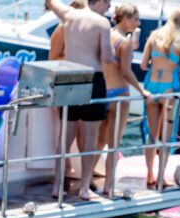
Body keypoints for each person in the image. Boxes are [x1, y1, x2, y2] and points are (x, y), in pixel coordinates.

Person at [46, 0, 113, 201]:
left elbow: (51, 2)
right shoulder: (102, 23)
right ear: (100, 3)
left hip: (70, 78)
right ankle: (84, 187)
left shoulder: (68, 15)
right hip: (93, 78)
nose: (108, 9)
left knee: (65, 135)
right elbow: (107, 57)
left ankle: (57, 185)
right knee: (90, 137)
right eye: (108, 5)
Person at [97, 4, 149, 196]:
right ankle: (108, 186)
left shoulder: (105, 35)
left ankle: (86, 179)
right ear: (126, 19)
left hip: (104, 93)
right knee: (114, 144)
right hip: (119, 94)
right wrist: (141, 89)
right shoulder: (124, 43)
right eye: (136, 19)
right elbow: (126, 72)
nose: (138, 23)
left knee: (99, 141)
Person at [140, 8, 180, 189]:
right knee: (167, 136)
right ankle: (161, 177)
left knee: (151, 135)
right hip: (170, 89)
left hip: (152, 86)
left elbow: (142, 64)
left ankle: (149, 175)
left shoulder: (154, 36)